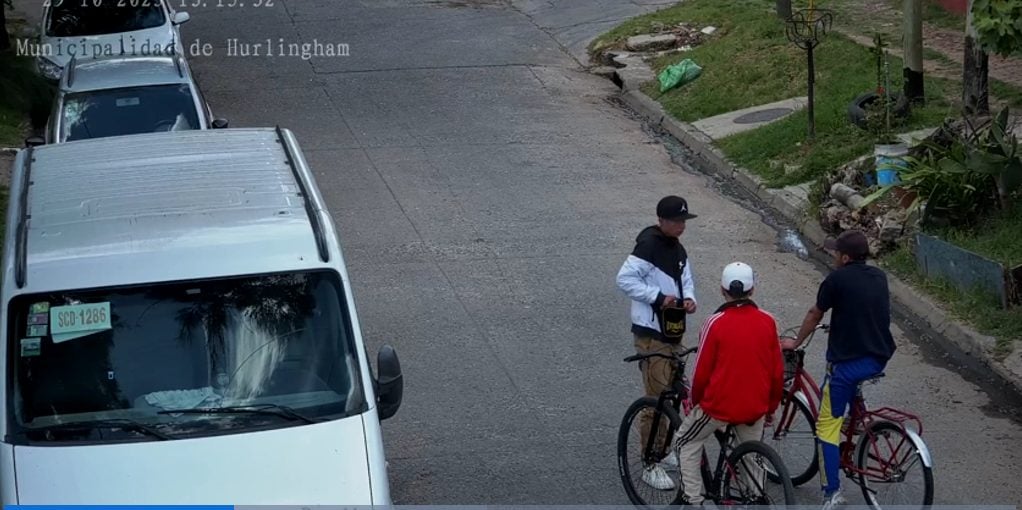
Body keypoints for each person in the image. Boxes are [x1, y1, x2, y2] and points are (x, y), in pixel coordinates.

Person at [780, 229, 897, 510]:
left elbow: (814, 313)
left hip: (848, 366)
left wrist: (796, 342)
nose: (833, 257)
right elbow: (868, 308)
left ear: (845, 258)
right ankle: (856, 423)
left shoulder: (836, 279)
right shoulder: (878, 277)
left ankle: (831, 493)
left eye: (835, 253)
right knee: (841, 399)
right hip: (878, 357)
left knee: (825, 427)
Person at [672, 262, 784, 506]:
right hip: (755, 407)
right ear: (752, 290)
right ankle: (755, 497)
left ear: (723, 290)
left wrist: (697, 402)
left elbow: (701, 373)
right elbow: (777, 372)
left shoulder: (715, 323)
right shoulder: (768, 321)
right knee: (751, 455)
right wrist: (770, 409)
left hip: (719, 406)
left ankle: (693, 500)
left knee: (684, 442)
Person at [616, 195, 698, 491]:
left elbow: (686, 279)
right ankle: (650, 461)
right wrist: (658, 298)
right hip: (652, 335)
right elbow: (624, 280)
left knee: (673, 393)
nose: (681, 226)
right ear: (661, 220)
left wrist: (689, 299)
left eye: (684, 221)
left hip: (674, 330)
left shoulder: (677, 247)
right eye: (677, 221)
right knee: (657, 397)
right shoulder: (648, 246)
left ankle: (664, 450)